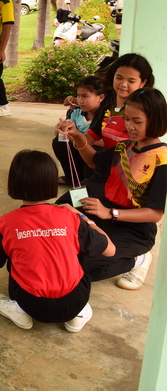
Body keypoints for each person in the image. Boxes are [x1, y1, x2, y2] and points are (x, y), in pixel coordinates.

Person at [0, 150, 114, 332]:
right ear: (52, 182)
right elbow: (110, 250)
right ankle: (78, 315)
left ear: (13, 183)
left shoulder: (7, 222)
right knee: (78, 248)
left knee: (13, 254)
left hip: (30, 303)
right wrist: (83, 218)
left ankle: (19, 310)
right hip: (75, 300)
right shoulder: (70, 217)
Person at [57, 88, 167, 290]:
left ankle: (138, 259)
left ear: (156, 121)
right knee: (58, 212)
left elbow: (154, 213)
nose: (130, 126)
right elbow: (94, 161)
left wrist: (110, 213)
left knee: (83, 266)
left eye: (137, 121)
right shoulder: (125, 146)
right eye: (127, 119)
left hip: (132, 229)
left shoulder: (162, 159)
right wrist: (77, 137)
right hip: (104, 211)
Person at [84, 53, 154, 150]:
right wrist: (73, 134)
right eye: (119, 78)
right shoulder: (107, 108)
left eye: (131, 81)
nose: (123, 84)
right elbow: (88, 139)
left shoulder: (145, 110)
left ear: (143, 83)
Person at [52, 76, 105, 187]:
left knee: (95, 150)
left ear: (100, 98)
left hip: (94, 150)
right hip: (79, 144)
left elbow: (106, 142)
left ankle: (88, 181)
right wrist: (61, 129)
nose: (80, 100)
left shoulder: (106, 116)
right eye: (78, 96)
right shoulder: (77, 112)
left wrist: (80, 137)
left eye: (85, 96)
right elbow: (67, 131)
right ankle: (72, 178)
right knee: (59, 142)